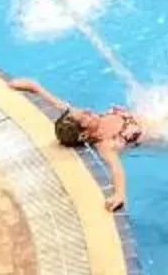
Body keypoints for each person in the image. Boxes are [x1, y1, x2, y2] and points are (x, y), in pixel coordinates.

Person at [9, 77, 143, 211]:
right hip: (159, 133)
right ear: (84, 134)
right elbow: (116, 168)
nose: (88, 111)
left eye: (82, 112)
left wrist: (29, 86)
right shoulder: (105, 144)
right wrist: (119, 194)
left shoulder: (75, 116)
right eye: (86, 117)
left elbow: (47, 96)